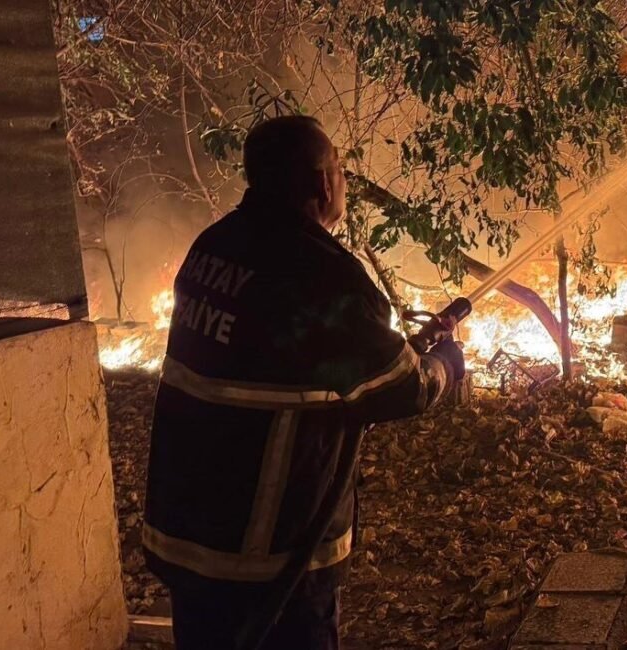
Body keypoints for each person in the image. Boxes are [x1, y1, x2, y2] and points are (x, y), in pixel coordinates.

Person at [142, 115, 464, 650]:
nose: (342, 179)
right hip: (269, 557)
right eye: (339, 167)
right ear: (321, 182)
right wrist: (445, 364)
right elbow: (402, 389)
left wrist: (385, 344)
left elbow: (286, 354)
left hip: (188, 538)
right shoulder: (319, 274)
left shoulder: (214, 247)